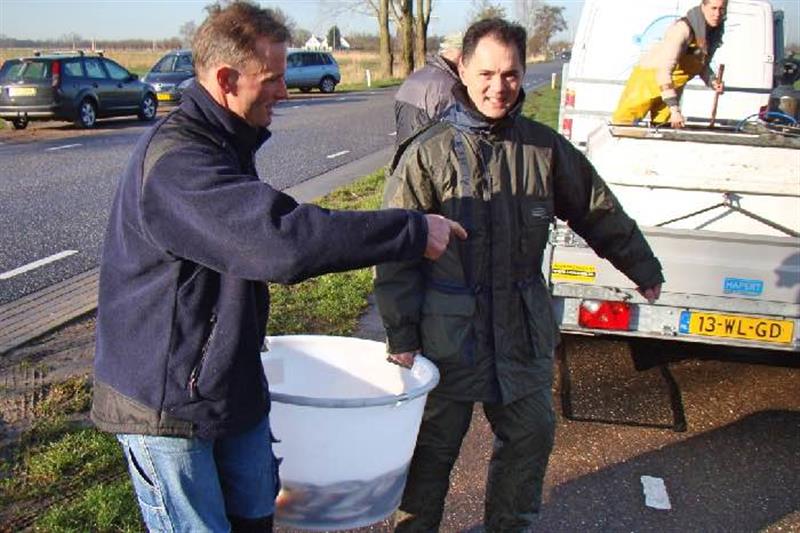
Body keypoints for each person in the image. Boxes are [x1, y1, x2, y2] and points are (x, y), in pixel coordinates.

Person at [90, 2, 465, 531]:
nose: (285, 92)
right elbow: (283, 242)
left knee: (256, 515)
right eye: (272, 79)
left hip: (228, 381)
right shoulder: (180, 163)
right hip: (166, 401)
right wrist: (412, 231)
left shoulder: (225, 140)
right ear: (226, 79)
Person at [375, 17, 664, 532]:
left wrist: (640, 265)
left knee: (530, 441)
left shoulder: (544, 149)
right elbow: (396, 253)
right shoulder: (426, 153)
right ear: (463, 70)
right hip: (446, 337)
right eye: (486, 73)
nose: (498, 86)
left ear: (524, 74)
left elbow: (596, 209)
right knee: (428, 455)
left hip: (521, 331)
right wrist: (401, 335)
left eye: (510, 74)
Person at [612, 0, 727, 128]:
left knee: (664, 128)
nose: (717, 14)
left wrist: (712, 81)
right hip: (648, 81)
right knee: (623, 125)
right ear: (703, 7)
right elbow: (663, 72)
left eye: (721, 9)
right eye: (713, 8)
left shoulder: (714, 33)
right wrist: (674, 109)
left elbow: (701, 64)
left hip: (673, 86)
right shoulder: (682, 29)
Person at [393, 32, 463, 146]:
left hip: (405, 148)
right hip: (428, 150)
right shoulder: (449, 86)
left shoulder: (417, 75)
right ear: (459, 54)